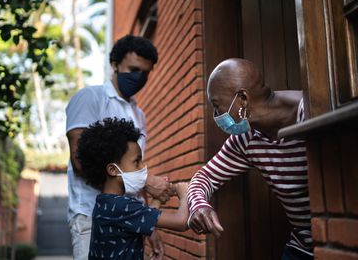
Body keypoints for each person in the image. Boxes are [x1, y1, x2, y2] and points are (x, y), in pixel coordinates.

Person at [187, 58, 312, 260]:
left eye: (216, 105)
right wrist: (198, 204)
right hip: (302, 247)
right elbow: (204, 178)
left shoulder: (311, 111)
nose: (216, 115)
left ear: (242, 99)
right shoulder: (245, 139)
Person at [66, 35, 172, 260]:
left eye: (145, 73)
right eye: (133, 69)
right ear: (115, 64)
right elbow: (79, 161)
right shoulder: (90, 98)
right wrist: (147, 181)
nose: (138, 77)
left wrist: (149, 225)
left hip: (130, 219)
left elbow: (133, 167)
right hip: (92, 217)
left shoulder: (138, 114)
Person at [76, 118, 189, 260]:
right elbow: (181, 222)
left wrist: (157, 199)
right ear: (112, 170)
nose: (143, 167)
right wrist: (184, 193)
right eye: (137, 162)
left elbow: (142, 218)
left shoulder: (105, 203)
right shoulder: (121, 206)